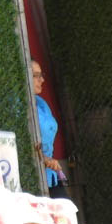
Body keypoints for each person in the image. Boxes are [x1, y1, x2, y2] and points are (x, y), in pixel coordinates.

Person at [32, 59, 66, 198]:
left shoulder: (41, 103)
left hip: (51, 173)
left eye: (42, 75)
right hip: (34, 172)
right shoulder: (17, 104)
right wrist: (43, 158)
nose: (42, 80)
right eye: (36, 75)